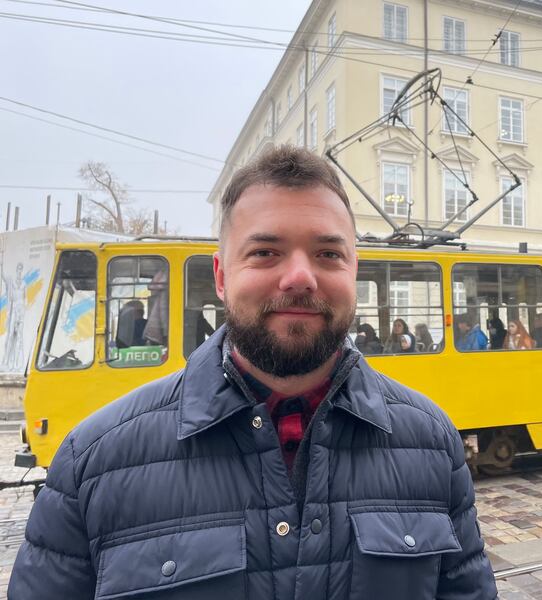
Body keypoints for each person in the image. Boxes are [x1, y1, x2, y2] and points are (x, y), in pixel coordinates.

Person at [9, 146, 497, 600]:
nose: (300, 277)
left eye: (329, 253)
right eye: (265, 252)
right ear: (221, 277)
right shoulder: (90, 462)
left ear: (354, 272)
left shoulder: (435, 444)